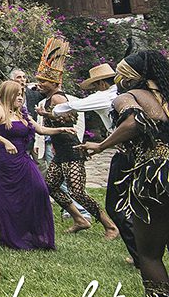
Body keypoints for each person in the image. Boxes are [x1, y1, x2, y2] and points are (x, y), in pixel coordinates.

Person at [79, 50, 169, 297]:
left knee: (150, 256)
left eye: (120, 71)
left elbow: (135, 122)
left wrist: (101, 145)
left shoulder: (128, 96)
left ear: (129, 76)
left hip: (155, 179)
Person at [57, 63, 137, 263]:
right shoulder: (126, 95)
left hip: (127, 154)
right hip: (134, 153)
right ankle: (143, 252)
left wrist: (52, 108)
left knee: (115, 204)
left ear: (101, 83)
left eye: (94, 86)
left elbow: (71, 106)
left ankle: (140, 255)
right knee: (136, 203)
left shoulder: (106, 96)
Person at [34, 68, 120, 238]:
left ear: (54, 83)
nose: (40, 84)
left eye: (43, 81)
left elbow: (71, 118)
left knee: (77, 191)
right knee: (50, 186)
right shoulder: (50, 98)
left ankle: (110, 226)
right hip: (61, 151)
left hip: (71, 151)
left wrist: (48, 115)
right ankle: (79, 219)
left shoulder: (58, 97)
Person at [0, 80, 62, 250]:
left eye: (21, 94)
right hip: (4, 159)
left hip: (22, 157)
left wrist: (61, 130)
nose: (20, 97)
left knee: (39, 189)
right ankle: (7, 235)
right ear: (8, 94)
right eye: (17, 94)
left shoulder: (22, 113)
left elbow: (40, 129)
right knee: (7, 196)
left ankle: (30, 232)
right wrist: (5, 141)